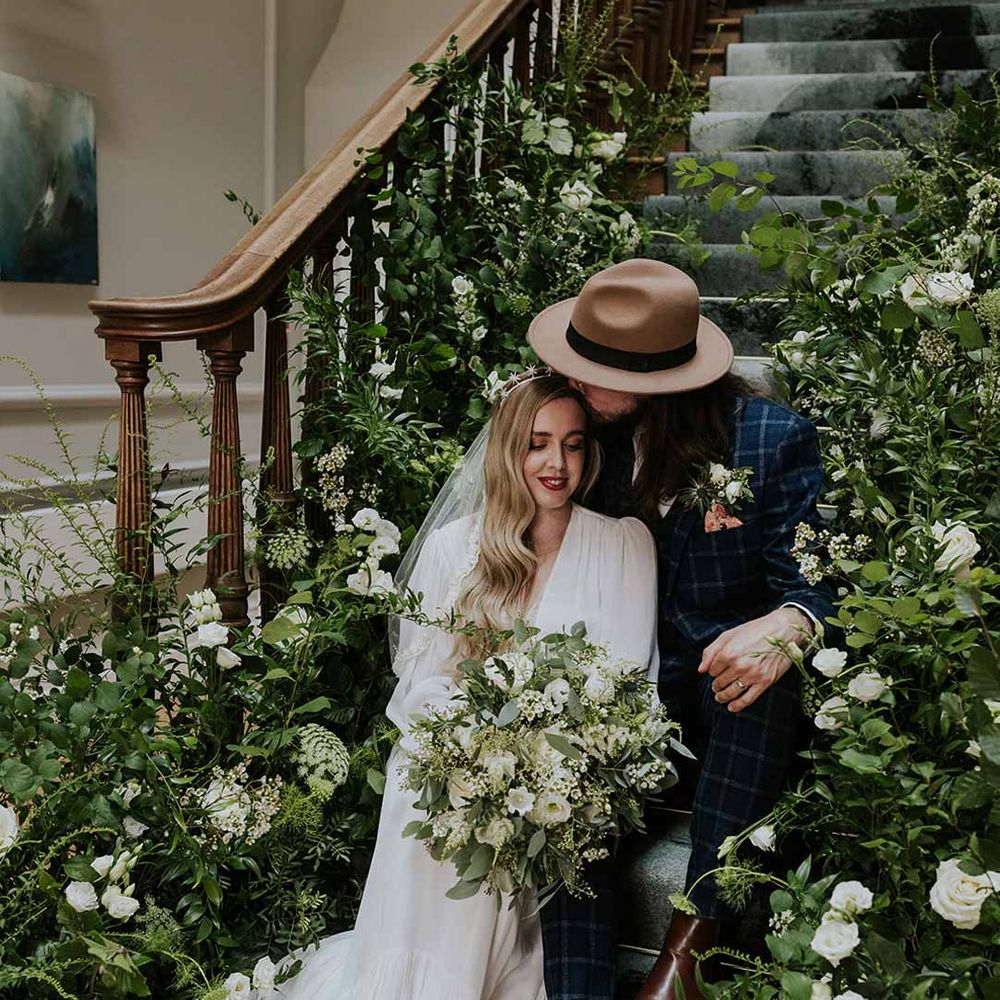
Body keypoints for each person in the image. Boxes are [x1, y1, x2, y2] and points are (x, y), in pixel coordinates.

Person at [276, 373, 659, 1000]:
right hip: (460, 762)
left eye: (573, 444)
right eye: (537, 443)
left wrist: (535, 763)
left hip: (565, 777)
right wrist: (475, 754)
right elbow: (422, 686)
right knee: (424, 793)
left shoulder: (623, 545)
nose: (557, 464)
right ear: (508, 449)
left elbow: (628, 678)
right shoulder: (457, 547)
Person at [527, 258, 836, 1000]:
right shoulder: (580, 441)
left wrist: (788, 622)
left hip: (724, 714)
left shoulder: (769, 441)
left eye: (594, 370)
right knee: (561, 773)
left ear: (657, 378)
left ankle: (688, 953)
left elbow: (820, 583)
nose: (573, 381)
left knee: (756, 676)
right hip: (619, 697)